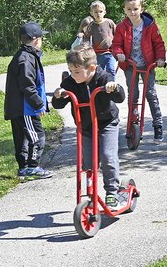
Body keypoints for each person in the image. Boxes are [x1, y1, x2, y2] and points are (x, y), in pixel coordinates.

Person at [52, 45, 128, 208]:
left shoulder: (103, 78)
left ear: (92, 68)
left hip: (107, 123)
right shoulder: (71, 82)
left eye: (77, 71)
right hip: (86, 126)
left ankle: (112, 192)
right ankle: (90, 190)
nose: (73, 75)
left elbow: (120, 97)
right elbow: (58, 104)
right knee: (87, 163)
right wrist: (58, 95)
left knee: (108, 156)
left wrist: (113, 88)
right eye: (71, 71)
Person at [111, 0, 167, 142]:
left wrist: (160, 59)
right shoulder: (122, 27)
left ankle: (158, 125)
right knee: (133, 95)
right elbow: (116, 45)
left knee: (150, 94)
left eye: (136, 9)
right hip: (130, 65)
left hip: (148, 64)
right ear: (125, 10)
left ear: (141, 9)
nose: (133, 12)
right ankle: (132, 124)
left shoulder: (150, 25)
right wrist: (119, 54)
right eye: (129, 9)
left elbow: (158, 44)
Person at [3, 22, 54, 180]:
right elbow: (27, 86)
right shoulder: (26, 59)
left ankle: (23, 167)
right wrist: (39, 104)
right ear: (36, 39)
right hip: (25, 108)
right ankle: (32, 166)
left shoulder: (25, 55)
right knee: (37, 136)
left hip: (18, 107)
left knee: (22, 137)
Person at [78, 1, 117, 80]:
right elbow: (87, 38)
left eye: (100, 12)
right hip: (98, 53)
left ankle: (112, 85)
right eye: (95, 12)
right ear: (91, 13)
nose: (98, 14)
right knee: (99, 71)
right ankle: (101, 86)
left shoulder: (109, 22)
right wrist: (82, 35)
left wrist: (118, 47)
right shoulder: (91, 25)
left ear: (104, 12)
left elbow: (117, 34)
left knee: (111, 69)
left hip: (110, 52)